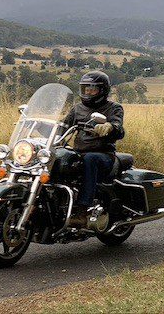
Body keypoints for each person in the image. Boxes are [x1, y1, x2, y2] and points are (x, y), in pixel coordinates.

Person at [62, 70, 124, 225]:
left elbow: (119, 128)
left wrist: (110, 127)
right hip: (78, 153)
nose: (88, 92)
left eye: (92, 89)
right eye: (85, 89)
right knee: (58, 158)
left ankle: (82, 210)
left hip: (103, 155)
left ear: (102, 90)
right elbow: (63, 126)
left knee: (90, 159)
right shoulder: (77, 108)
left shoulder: (114, 108)